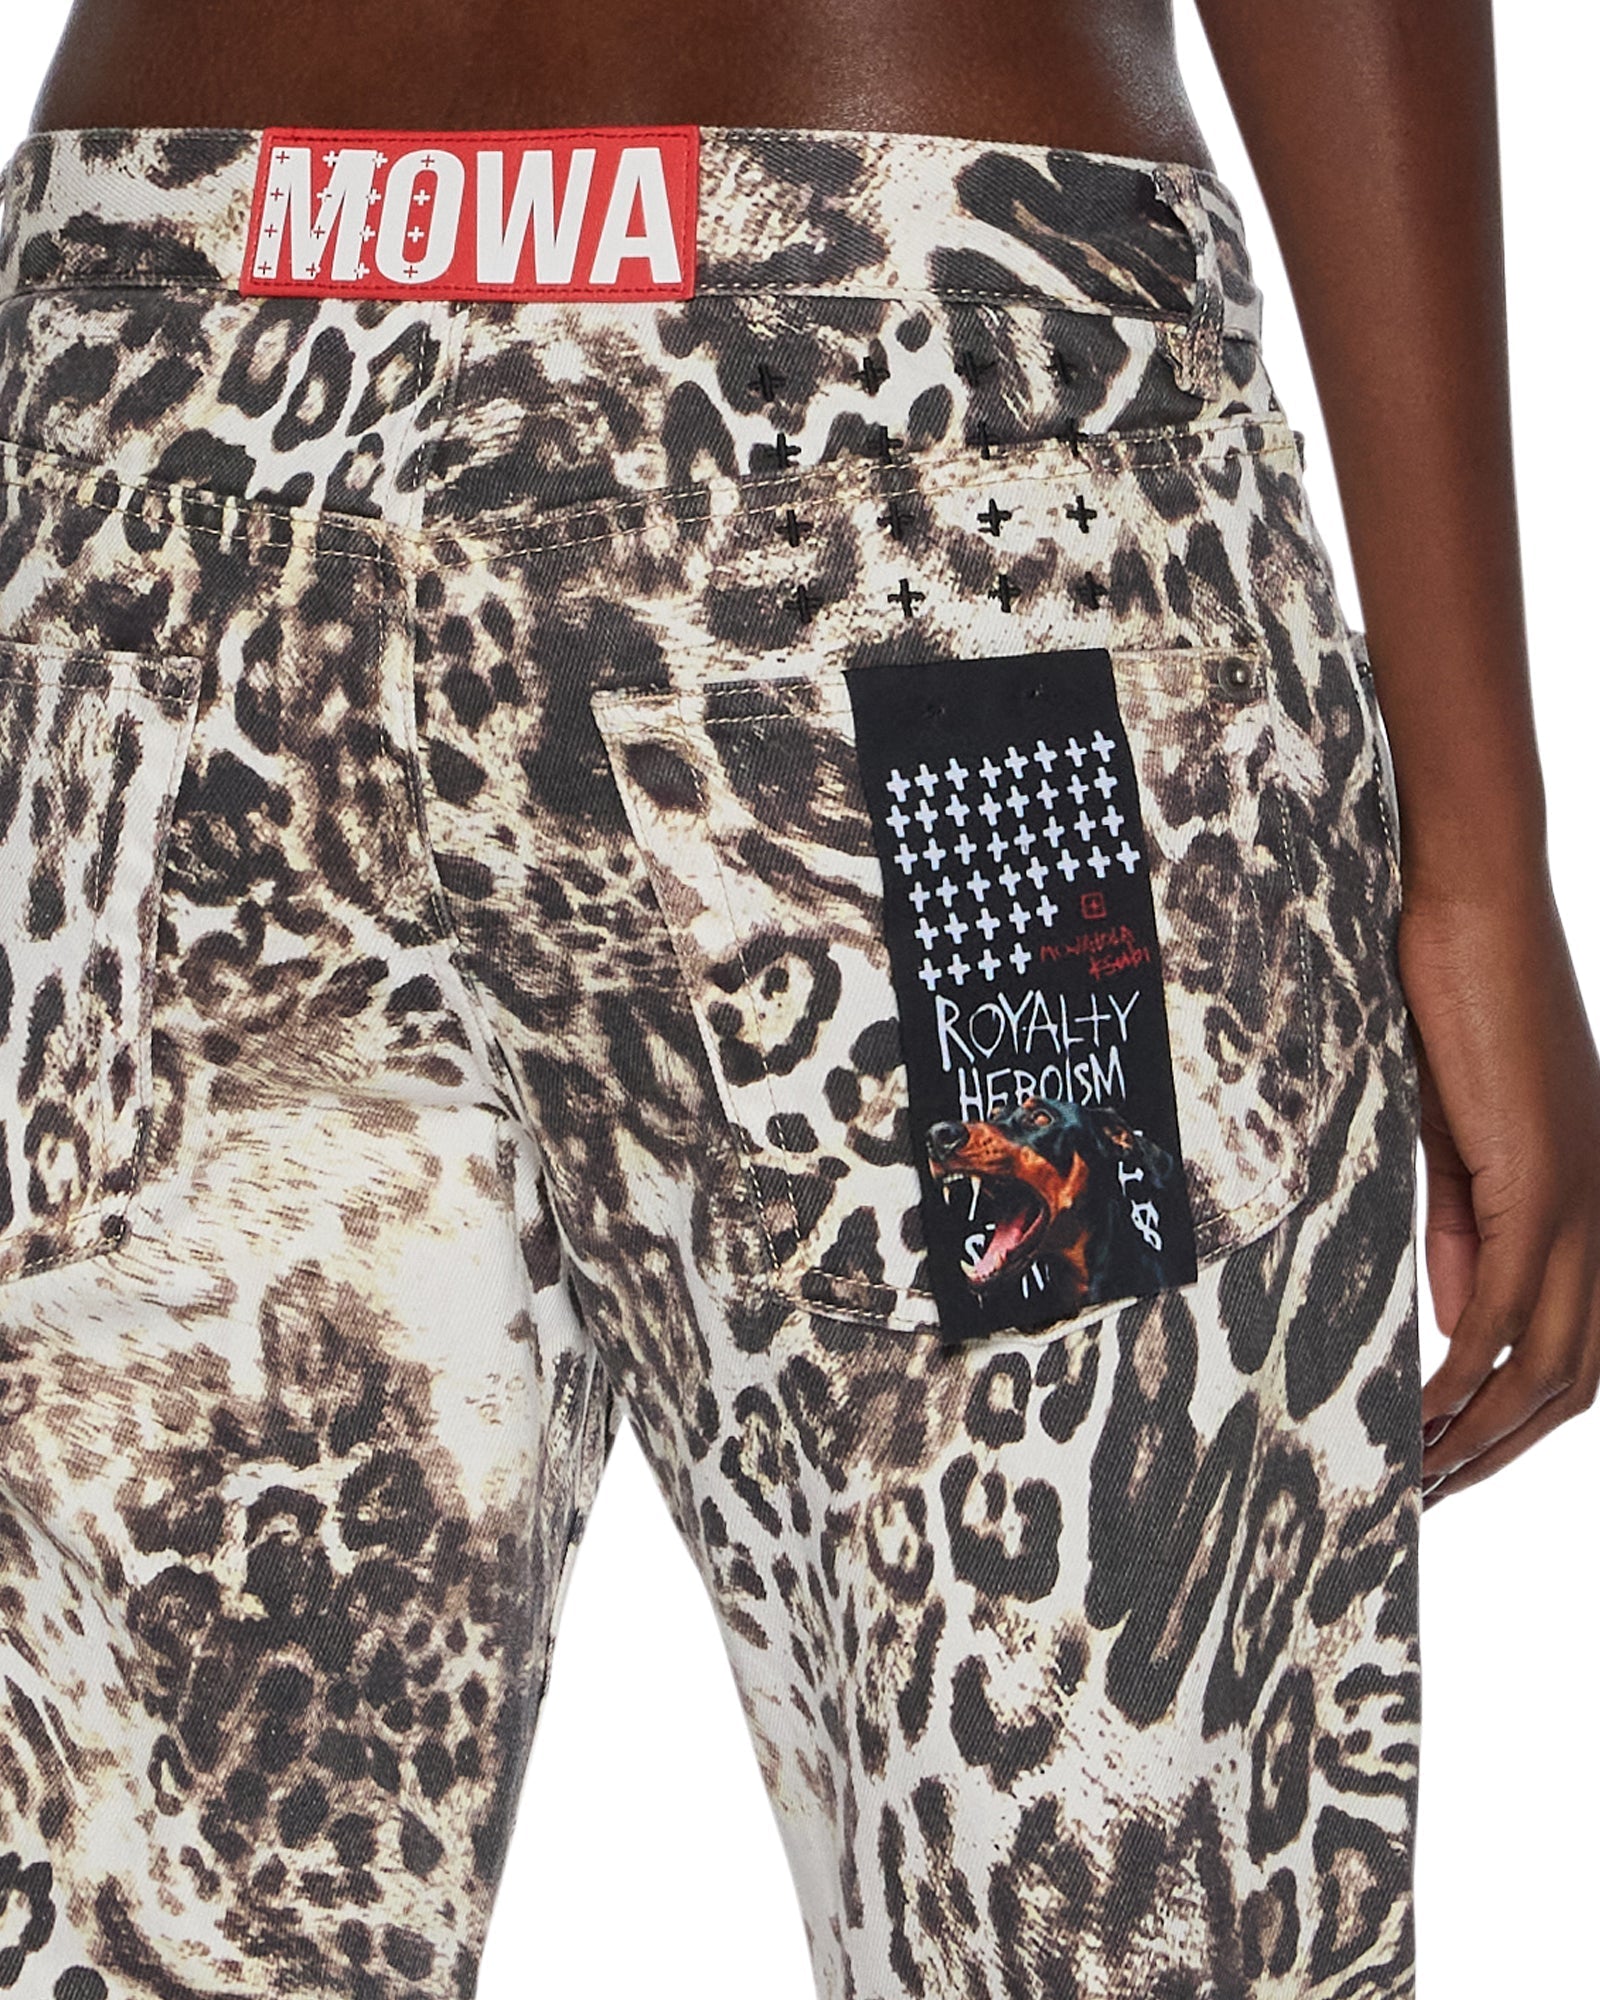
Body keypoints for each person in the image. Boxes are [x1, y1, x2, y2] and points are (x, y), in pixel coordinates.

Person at [0, 1, 1592, 1995]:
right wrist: (1478, 855)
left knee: (136, 1906)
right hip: (924, 521)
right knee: (1094, 1874)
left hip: (158, 473)